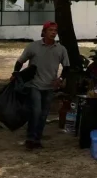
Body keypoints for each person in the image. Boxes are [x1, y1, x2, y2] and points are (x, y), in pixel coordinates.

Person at [13, 21, 69, 150]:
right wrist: (15, 73)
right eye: (50, 30)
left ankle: (37, 139)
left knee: (44, 114)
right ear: (44, 32)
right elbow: (20, 61)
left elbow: (66, 66)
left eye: (55, 30)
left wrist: (60, 79)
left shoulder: (61, 49)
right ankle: (30, 138)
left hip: (50, 86)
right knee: (36, 111)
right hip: (35, 85)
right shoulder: (33, 46)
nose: (53, 32)